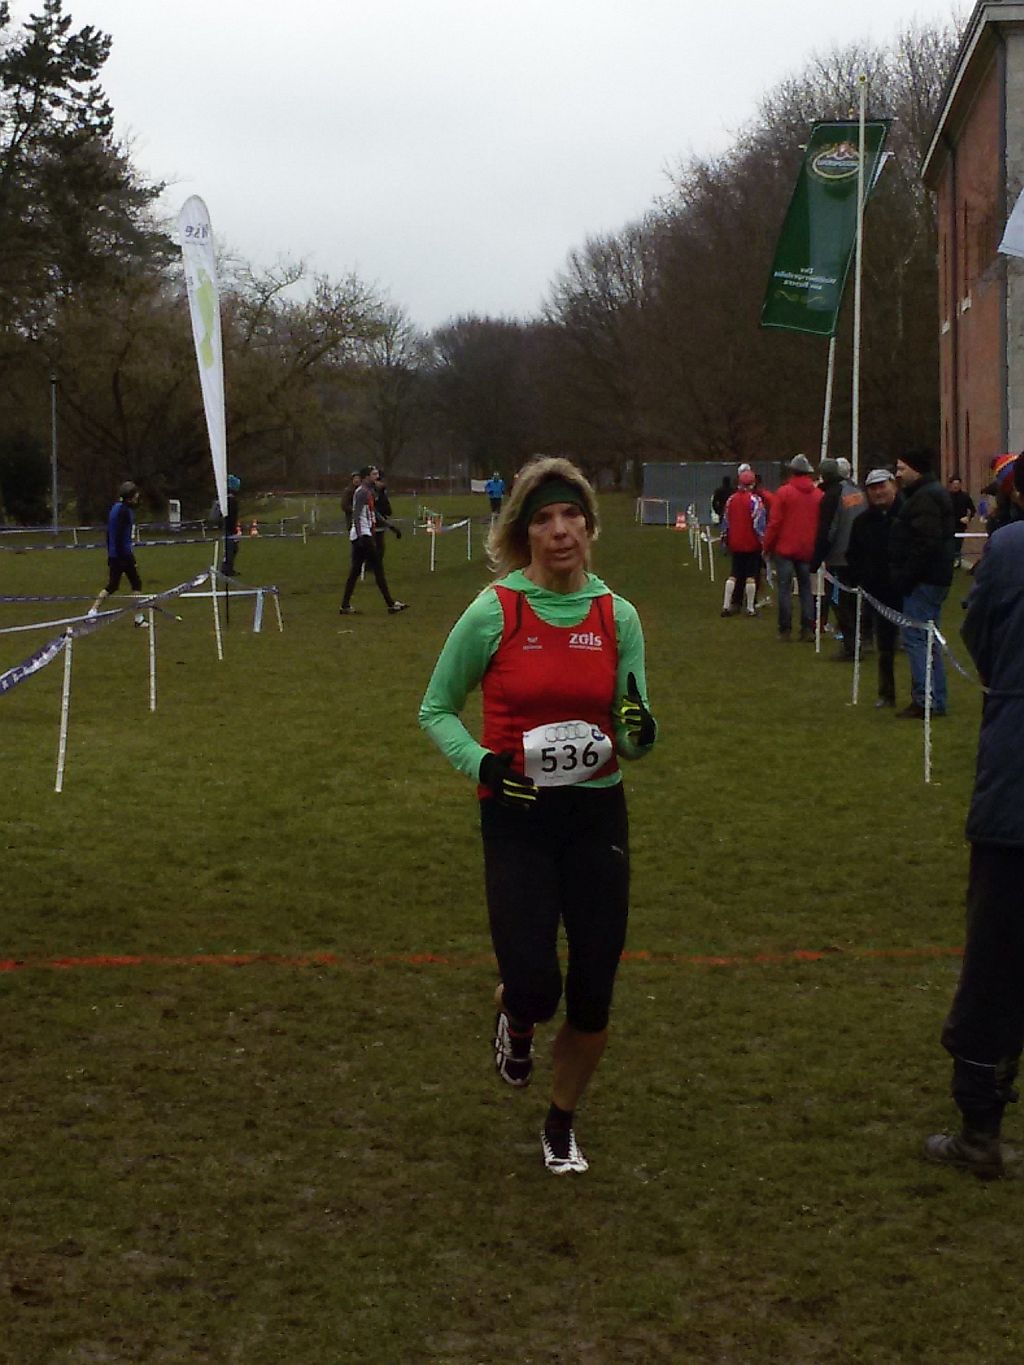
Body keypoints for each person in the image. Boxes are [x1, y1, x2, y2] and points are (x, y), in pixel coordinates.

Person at [419, 456, 657, 1175]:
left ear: (589, 526)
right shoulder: (495, 610)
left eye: (571, 515)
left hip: (596, 816)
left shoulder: (618, 616)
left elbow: (634, 726)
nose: (560, 531)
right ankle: (516, 1013)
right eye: (544, 518)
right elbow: (436, 709)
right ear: (523, 532)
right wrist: (484, 765)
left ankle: (560, 1121)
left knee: (592, 992)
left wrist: (639, 729)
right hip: (517, 817)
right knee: (534, 983)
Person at [925, 454, 1024, 1179]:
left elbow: (980, 638)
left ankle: (979, 1126)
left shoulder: (1010, 550)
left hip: (1015, 790)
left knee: (995, 958)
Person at [888, 448, 956, 718]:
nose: (898, 474)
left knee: (917, 638)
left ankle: (926, 697)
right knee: (928, 638)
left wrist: (906, 576)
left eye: (902, 468)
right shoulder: (926, 494)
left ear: (916, 469)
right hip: (932, 577)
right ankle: (934, 696)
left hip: (924, 579)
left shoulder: (925, 498)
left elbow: (925, 543)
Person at [846, 469, 903, 707]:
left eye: (882, 486)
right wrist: (862, 579)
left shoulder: (907, 516)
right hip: (878, 593)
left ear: (893, 486)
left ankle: (924, 694)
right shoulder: (862, 522)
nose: (878, 492)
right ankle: (886, 693)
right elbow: (852, 555)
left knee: (918, 644)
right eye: (873, 488)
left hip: (907, 589)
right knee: (885, 647)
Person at [762, 454, 823, 643]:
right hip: (807, 549)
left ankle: (785, 629)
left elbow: (775, 522)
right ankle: (808, 628)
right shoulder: (818, 495)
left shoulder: (784, 492)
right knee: (806, 589)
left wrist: (767, 545)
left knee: (784, 589)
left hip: (785, 548)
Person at [811, 457, 867, 660]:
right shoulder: (856, 492)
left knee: (840, 603)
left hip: (839, 558)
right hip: (860, 555)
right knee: (855, 602)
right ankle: (861, 641)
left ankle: (851, 647)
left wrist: (816, 559)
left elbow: (828, 530)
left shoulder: (832, 496)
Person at [339, 466, 407, 615]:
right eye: (374, 474)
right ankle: (391, 604)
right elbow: (356, 515)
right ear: (366, 477)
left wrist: (391, 526)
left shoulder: (368, 492)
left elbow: (374, 513)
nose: (377, 476)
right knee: (377, 568)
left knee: (356, 571)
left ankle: (345, 605)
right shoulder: (362, 492)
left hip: (363, 534)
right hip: (363, 535)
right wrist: (360, 535)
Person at [89, 480, 146, 624]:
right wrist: (129, 558)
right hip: (122, 555)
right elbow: (119, 536)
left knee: (113, 585)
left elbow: (110, 534)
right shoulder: (124, 512)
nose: (137, 497)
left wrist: (111, 553)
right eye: (135, 495)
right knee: (136, 583)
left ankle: (93, 611)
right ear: (129, 497)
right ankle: (138, 618)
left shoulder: (116, 508)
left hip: (115, 554)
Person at [720, 469, 765, 617]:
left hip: (735, 542)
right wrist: (763, 540)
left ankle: (726, 605)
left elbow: (726, 521)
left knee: (734, 573)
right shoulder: (755, 501)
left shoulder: (731, 500)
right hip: (751, 543)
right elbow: (759, 524)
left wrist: (725, 538)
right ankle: (750, 608)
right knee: (751, 575)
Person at [947, 474, 976, 567]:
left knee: (958, 544)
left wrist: (968, 518)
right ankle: (950, 561)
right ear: (951, 485)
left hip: (960, 526)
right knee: (950, 544)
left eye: (958, 484)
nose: (956, 486)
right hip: (949, 525)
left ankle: (957, 561)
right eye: (954, 484)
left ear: (960, 485)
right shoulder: (947, 497)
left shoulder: (965, 496)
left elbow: (973, 510)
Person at [221, 473, 241, 578]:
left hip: (229, 528)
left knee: (232, 550)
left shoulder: (228, 499)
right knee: (230, 550)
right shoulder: (231, 501)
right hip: (230, 529)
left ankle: (228, 569)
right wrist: (234, 530)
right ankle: (227, 570)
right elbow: (232, 517)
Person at [372, 467, 394, 562]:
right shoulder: (371, 492)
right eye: (380, 481)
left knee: (380, 547)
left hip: (381, 522)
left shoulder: (382, 492)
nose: (382, 483)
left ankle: (376, 564)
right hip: (372, 522)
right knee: (373, 546)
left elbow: (386, 506)